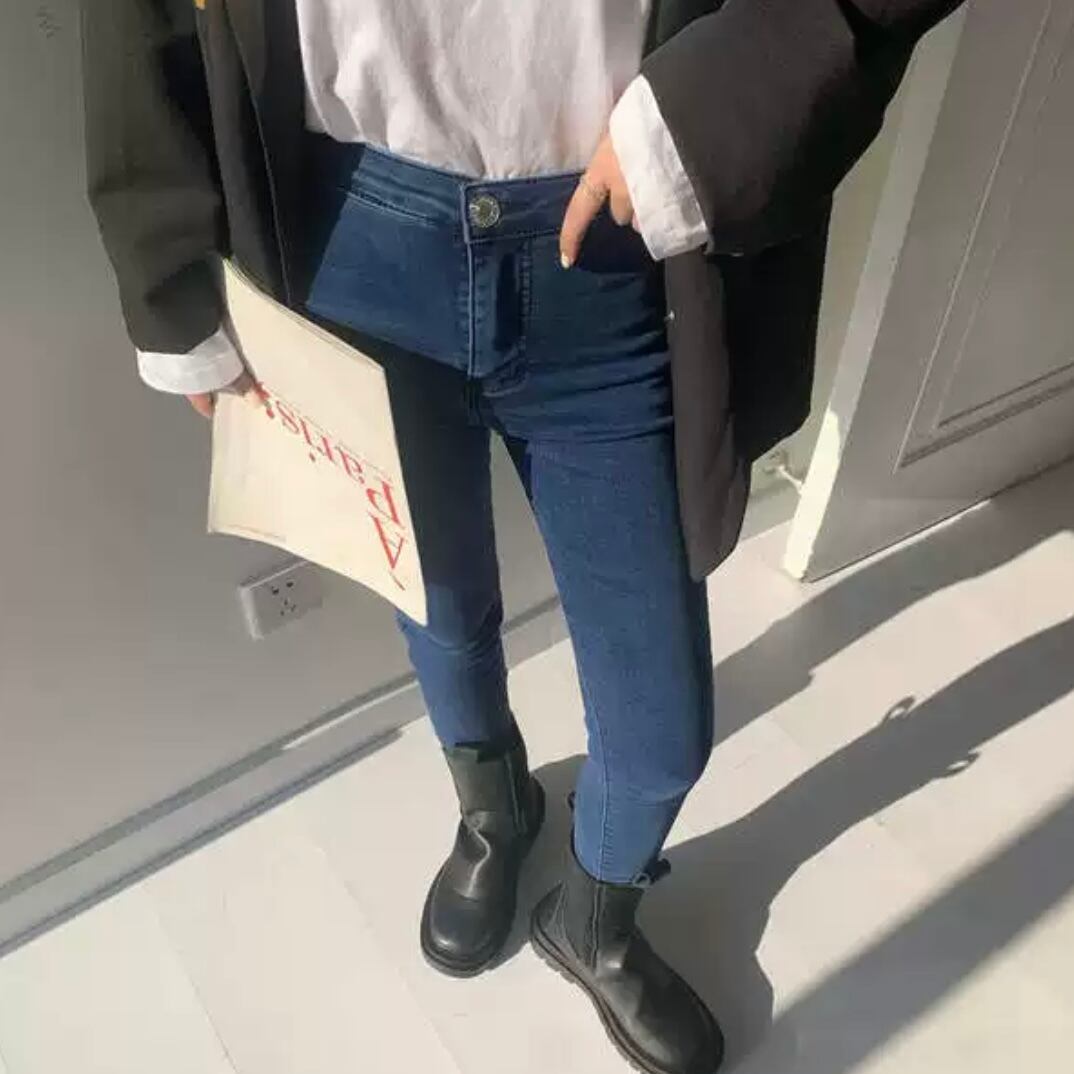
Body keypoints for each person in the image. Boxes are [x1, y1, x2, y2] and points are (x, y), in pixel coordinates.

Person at [82, 2, 966, 1071]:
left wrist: (720, 101)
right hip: (350, 240)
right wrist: (167, 275)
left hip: (610, 246)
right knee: (439, 603)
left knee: (660, 729)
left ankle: (593, 913)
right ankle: (495, 808)